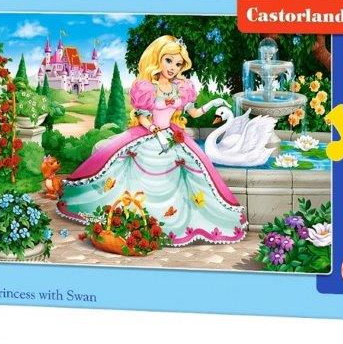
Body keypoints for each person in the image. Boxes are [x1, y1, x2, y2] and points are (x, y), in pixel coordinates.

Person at [57, 35, 247, 245]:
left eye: (178, 64)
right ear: (158, 58)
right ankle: (132, 222)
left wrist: (213, 103)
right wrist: (155, 130)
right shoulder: (147, 87)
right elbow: (142, 117)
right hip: (149, 135)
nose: (173, 67)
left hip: (171, 136)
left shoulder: (182, 87)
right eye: (169, 61)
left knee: (193, 168)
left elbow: (193, 113)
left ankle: (171, 226)